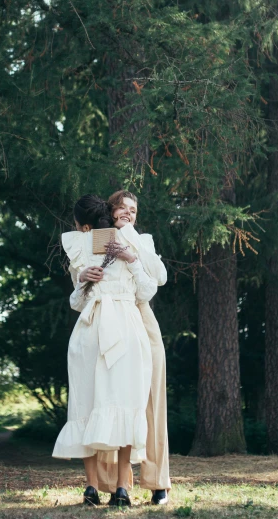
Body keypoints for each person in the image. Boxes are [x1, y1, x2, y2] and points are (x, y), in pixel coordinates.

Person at [52, 194, 158, 507]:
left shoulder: (130, 244)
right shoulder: (83, 250)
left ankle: (120, 488)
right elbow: (77, 302)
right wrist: (83, 280)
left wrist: (131, 259)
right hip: (93, 330)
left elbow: (149, 289)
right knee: (88, 404)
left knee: (124, 404)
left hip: (124, 328)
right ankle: (93, 488)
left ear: (79, 223)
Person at [107, 190, 171, 506]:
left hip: (141, 319)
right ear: (111, 211)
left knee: (151, 400)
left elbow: (159, 277)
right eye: (122, 208)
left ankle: (159, 482)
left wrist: (130, 239)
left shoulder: (143, 240)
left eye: (133, 209)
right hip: (109, 321)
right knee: (111, 400)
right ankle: (114, 484)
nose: (129, 212)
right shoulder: (99, 239)